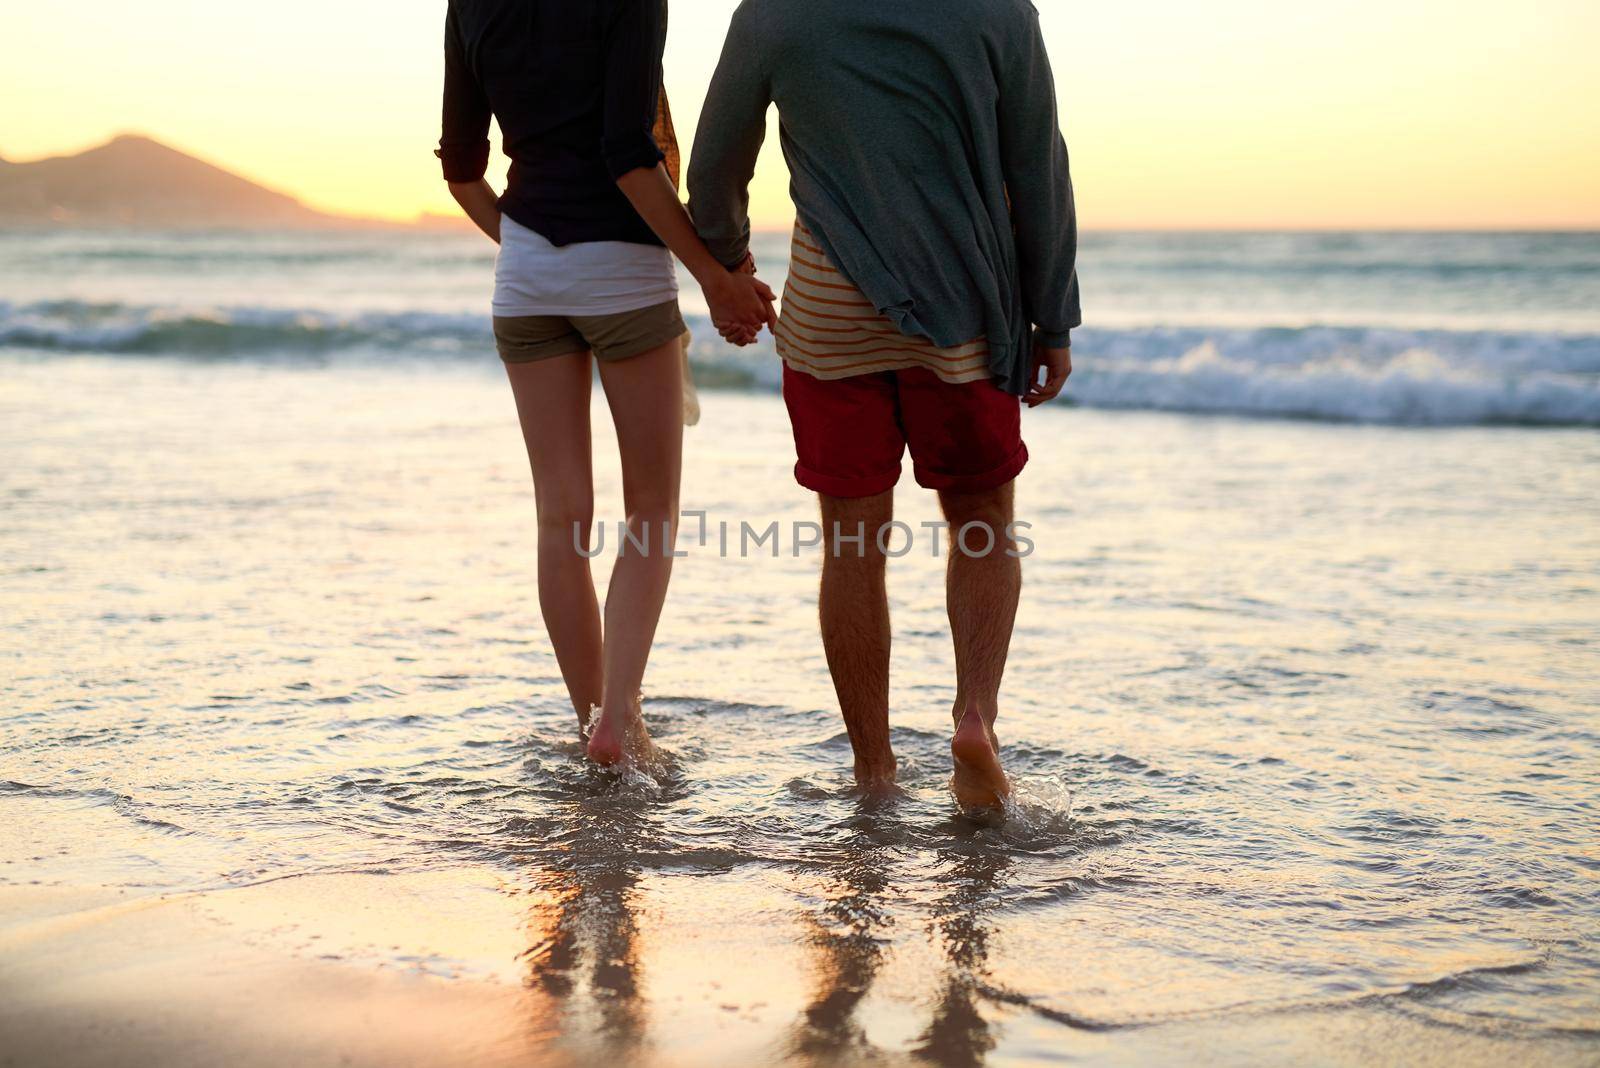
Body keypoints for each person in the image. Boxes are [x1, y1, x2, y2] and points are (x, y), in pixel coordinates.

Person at [688, 0, 1080, 807]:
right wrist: (1052, 314)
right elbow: (1037, 167)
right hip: (965, 311)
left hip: (831, 310)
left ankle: (874, 772)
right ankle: (975, 719)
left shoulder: (773, 13)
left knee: (852, 546)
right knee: (982, 523)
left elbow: (717, 162)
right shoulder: (1001, 12)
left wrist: (727, 259)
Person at [438, 0, 778, 767]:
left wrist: (534, 250)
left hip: (524, 279)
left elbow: (463, 170)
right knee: (650, 510)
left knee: (561, 520)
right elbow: (630, 154)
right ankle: (620, 723)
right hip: (622, 273)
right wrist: (715, 277)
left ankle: (594, 718)